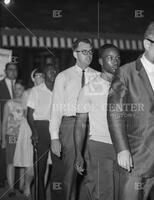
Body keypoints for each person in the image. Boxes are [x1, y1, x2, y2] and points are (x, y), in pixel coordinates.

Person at [107, 21, 154, 200]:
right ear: (147, 44)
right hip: (137, 156)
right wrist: (122, 149)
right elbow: (115, 113)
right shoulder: (125, 73)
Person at [49, 38, 99, 200]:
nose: (89, 54)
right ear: (74, 54)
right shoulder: (64, 77)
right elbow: (56, 109)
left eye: (90, 51)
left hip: (93, 128)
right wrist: (54, 138)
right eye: (84, 51)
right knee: (70, 173)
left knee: (90, 172)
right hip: (70, 126)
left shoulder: (98, 77)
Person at [74, 44, 120, 200]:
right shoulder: (89, 89)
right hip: (100, 147)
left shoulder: (125, 86)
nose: (115, 61)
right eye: (110, 58)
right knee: (103, 194)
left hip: (123, 147)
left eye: (117, 58)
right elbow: (80, 124)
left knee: (123, 193)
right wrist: (78, 154)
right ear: (100, 61)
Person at [27, 64, 57, 200]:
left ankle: (57, 195)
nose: (53, 72)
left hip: (56, 129)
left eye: (54, 70)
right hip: (41, 128)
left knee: (57, 166)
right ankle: (40, 197)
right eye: (50, 71)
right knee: (40, 167)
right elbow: (29, 114)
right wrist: (34, 131)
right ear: (44, 74)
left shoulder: (59, 90)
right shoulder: (36, 90)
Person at [13, 68, 45, 198]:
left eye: (41, 76)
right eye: (36, 76)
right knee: (29, 162)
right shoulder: (27, 93)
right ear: (33, 78)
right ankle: (27, 186)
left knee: (43, 163)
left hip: (43, 128)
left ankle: (41, 189)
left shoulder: (48, 92)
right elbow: (26, 113)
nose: (39, 78)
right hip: (29, 130)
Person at [1, 79, 26, 197]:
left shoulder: (27, 103)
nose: (17, 91)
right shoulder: (9, 103)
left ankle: (21, 186)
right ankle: (11, 188)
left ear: (24, 90)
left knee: (22, 162)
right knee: (10, 162)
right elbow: (4, 122)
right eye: (15, 88)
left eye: (19, 88)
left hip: (24, 137)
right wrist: (3, 139)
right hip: (11, 136)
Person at [0, 62, 18, 188]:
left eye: (15, 69)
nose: (13, 71)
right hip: (2, 124)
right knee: (2, 152)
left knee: (14, 154)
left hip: (17, 128)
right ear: (5, 71)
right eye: (10, 69)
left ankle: (14, 181)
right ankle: (1, 178)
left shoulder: (20, 85)